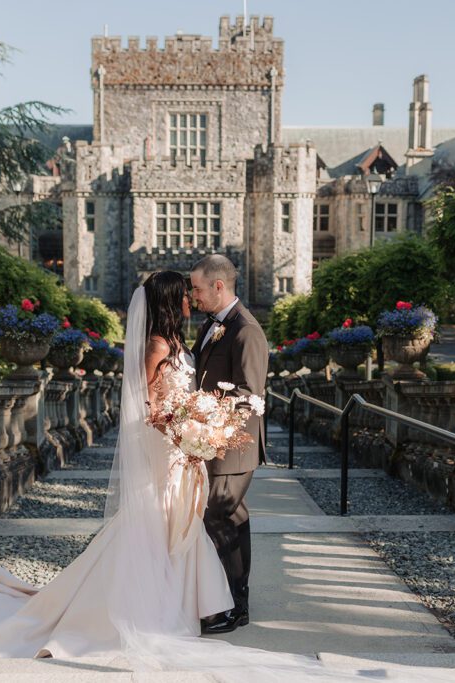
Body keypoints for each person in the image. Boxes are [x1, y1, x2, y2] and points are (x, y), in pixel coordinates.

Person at [0, 271, 233, 658]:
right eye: (185, 294)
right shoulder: (156, 346)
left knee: (179, 523)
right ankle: (123, 609)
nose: (191, 299)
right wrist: (183, 430)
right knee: (155, 524)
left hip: (182, 451)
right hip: (167, 450)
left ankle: (182, 603)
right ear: (170, 301)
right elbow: (145, 407)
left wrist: (199, 425)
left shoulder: (177, 344)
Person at [189, 254, 269, 634]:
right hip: (214, 442)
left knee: (218, 515)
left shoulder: (245, 330)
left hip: (233, 445)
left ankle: (235, 607)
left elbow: (249, 393)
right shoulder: (212, 324)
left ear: (218, 286)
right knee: (233, 517)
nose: (193, 296)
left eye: (198, 288)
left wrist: (200, 411)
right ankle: (232, 600)